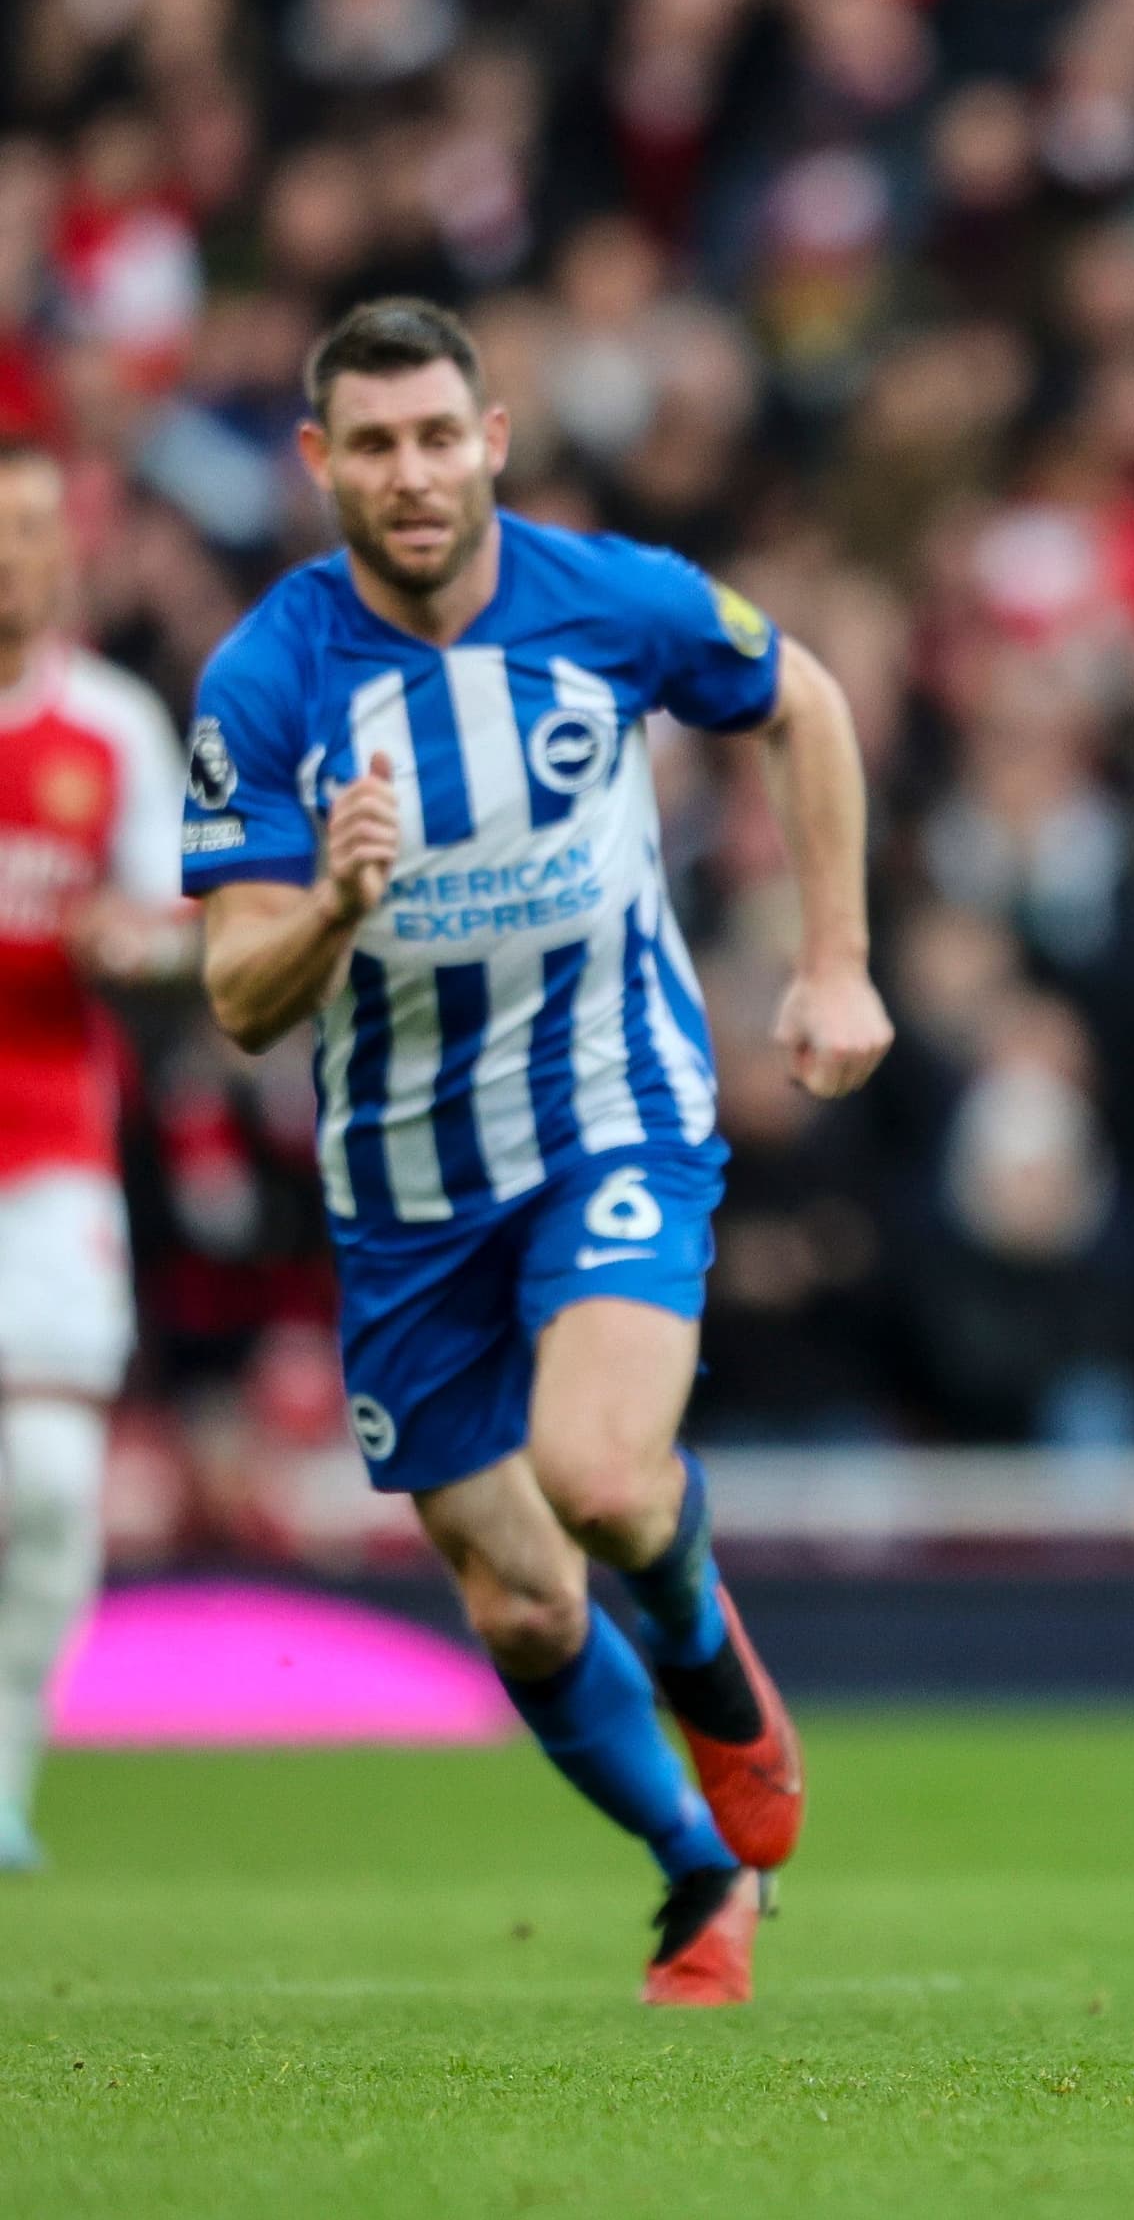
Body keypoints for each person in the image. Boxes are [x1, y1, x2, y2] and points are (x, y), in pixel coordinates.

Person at [184, 301, 894, 2004]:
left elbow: (804, 703)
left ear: (493, 439)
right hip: (404, 1190)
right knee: (515, 1606)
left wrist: (836, 958)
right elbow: (238, 1000)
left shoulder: (611, 601)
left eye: (440, 437)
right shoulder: (268, 677)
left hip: (611, 1115)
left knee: (599, 1476)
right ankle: (698, 1873)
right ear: (320, 465)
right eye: (374, 445)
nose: (413, 475)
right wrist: (338, 906)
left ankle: (721, 1687)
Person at [0, 443, 191, 1872]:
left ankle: (5, 1785)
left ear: (68, 552)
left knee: (55, 1482)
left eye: (30, 531)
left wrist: (142, 943)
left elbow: (181, 923)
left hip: (51, 1140)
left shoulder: (114, 728)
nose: (12, 557)